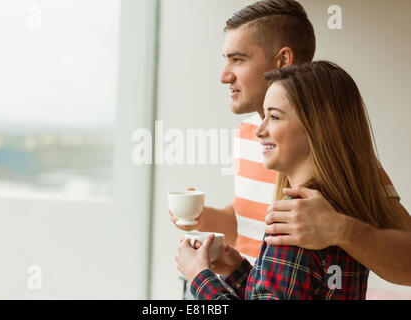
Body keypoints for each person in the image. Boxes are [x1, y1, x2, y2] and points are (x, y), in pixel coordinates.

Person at [170, 0, 411, 290]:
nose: (224, 75)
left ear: (282, 60)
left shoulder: (337, 158)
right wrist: (202, 218)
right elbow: (250, 225)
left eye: (238, 59)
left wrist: (340, 229)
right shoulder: (250, 134)